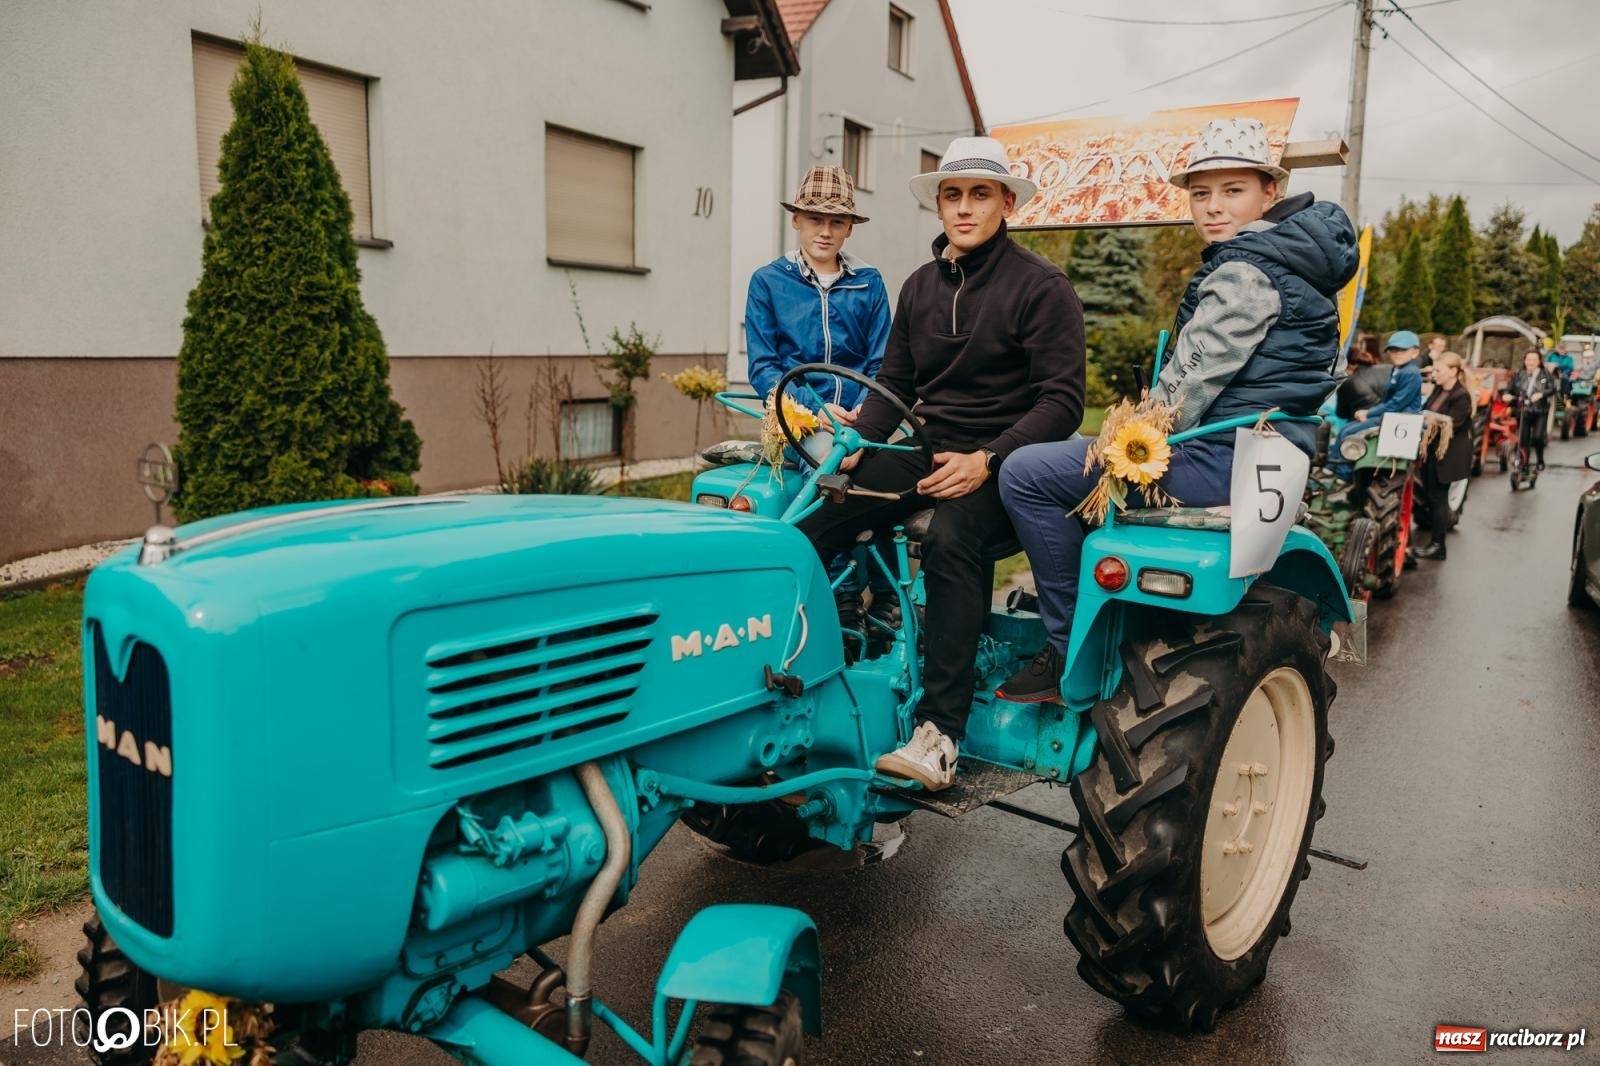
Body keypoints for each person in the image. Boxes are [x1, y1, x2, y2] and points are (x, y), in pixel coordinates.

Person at [997, 118, 1357, 703]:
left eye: (1232, 189)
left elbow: (1183, 394)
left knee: (1028, 473)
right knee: (1073, 481)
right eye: (1200, 192)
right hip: (1265, 448)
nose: (1212, 207)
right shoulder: (1295, 261)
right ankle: (1106, 616)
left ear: (1271, 191)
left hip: (1226, 453)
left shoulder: (1245, 270)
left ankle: (1067, 651)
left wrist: (1129, 431)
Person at [797, 136, 1086, 790]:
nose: (963, 207)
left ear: (1006, 201)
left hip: (1009, 465)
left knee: (955, 538)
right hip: (929, 449)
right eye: (952, 195)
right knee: (815, 521)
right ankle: (797, 676)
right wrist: (851, 452)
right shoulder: (922, 286)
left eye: (979, 194)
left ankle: (940, 733)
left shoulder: (1041, 287)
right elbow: (893, 387)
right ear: (939, 205)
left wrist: (989, 457)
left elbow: (1064, 401)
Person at [744, 166, 892, 642]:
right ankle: (841, 595)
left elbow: (882, 363)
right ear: (796, 222)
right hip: (795, 418)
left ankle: (892, 594)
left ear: (850, 226)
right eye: (814, 219)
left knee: (895, 467)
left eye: (836, 221)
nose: (824, 231)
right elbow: (765, 368)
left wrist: (861, 416)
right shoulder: (769, 282)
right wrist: (819, 409)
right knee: (830, 461)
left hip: (861, 414)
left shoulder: (868, 283)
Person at [1329, 330, 1424, 478]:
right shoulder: (1398, 370)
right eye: (1393, 350)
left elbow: (1396, 404)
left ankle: (1342, 474)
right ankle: (1333, 465)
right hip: (1390, 416)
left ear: (1415, 352)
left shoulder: (1411, 373)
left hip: (1399, 419)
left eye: (1403, 350)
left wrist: (1368, 413)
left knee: (1348, 432)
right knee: (1347, 427)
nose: (1397, 353)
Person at [1414, 351, 1473, 560]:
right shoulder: (1439, 389)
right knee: (1431, 496)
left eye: (1438, 370)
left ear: (1453, 371)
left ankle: (1438, 546)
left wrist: (1429, 418)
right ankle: (1435, 542)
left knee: (1438, 499)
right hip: (1433, 453)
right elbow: (1424, 410)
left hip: (1448, 457)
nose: (1434, 374)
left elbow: (1452, 424)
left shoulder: (1461, 395)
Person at [1508, 348, 1557, 470]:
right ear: (1524, 361)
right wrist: (1506, 395)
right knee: (1523, 438)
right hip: (1523, 410)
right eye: (1528, 359)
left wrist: (1541, 394)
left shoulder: (1545, 374)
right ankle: (1524, 463)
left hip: (1540, 411)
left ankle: (1540, 459)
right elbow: (1510, 388)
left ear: (1539, 361)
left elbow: (1552, 388)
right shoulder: (1519, 374)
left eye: (1534, 360)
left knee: (1537, 437)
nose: (1531, 362)